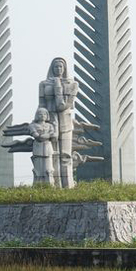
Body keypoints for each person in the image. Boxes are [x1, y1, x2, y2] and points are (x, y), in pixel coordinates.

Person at [39, 58, 78, 188]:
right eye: (56, 67)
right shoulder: (44, 84)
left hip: (65, 123)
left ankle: (68, 186)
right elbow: (42, 105)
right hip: (50, 123)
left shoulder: (72, 84)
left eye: (61, 67)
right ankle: (55, 186)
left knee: (66, 155)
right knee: (53, 154)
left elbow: (62, 105)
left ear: (65, 68)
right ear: (52, 68)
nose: (58, 69)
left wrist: (57, 86)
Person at [29, 107, 57, 185]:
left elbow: (54, 136)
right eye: (40, 114)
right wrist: (48, 135)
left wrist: (44, 135)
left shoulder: (50, 126)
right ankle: (38, 185)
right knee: (38, 170)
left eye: (44, 114)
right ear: (37, 115)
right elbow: (38, 136)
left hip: (48, 149)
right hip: (38, 149)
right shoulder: (32, 125)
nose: (42, 115)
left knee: (49, 169)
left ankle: (50, 185)